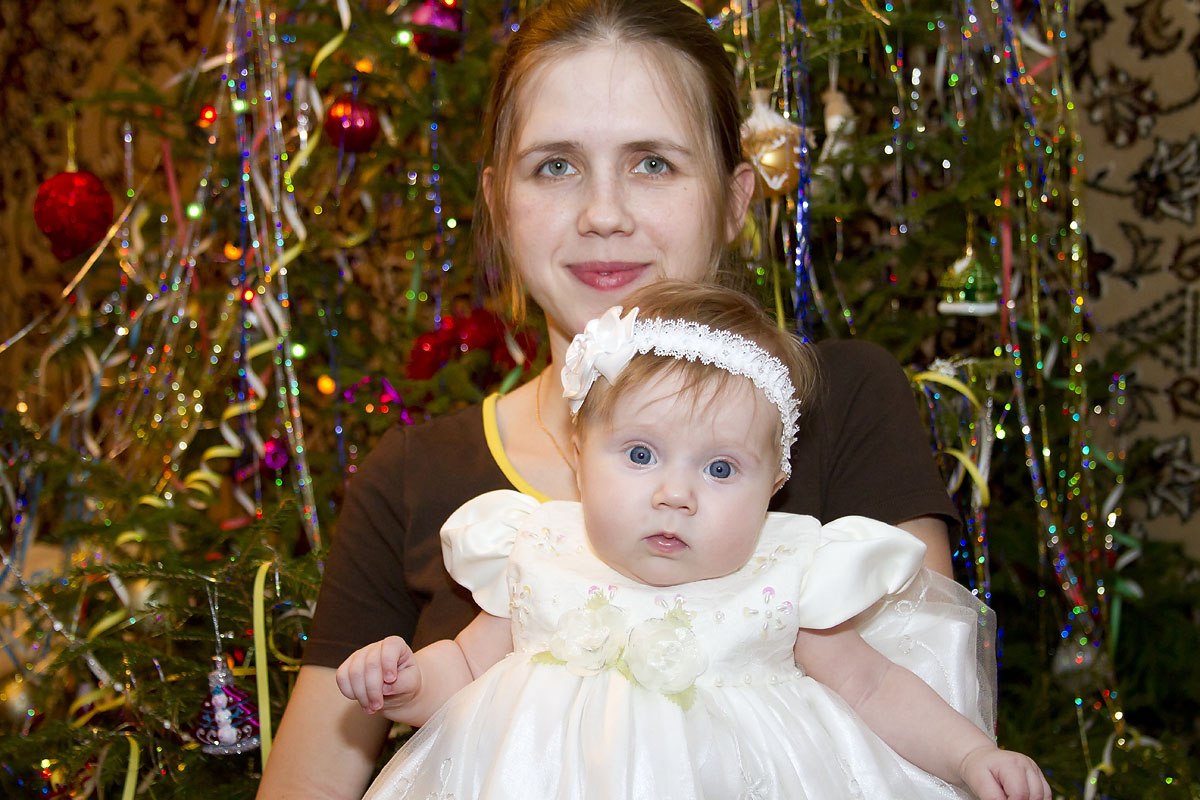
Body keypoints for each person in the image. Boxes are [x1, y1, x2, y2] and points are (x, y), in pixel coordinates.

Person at [258, 1, 961, 797]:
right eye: (555, 166)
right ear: (499, 202)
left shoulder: (839, 402)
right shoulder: (414, 477)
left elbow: (926, 733)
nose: (602, 215)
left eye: (652, 163)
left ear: (734, 200)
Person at [335, 283, 1048, 800]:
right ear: (579, 455)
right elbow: (463, 668)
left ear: (774, 485)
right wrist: (407, 682)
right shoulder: (542, 552)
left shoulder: (782, 578)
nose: (675, 493)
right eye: (641, 454)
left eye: (720, 469)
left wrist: (970, 755)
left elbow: (876, 685)